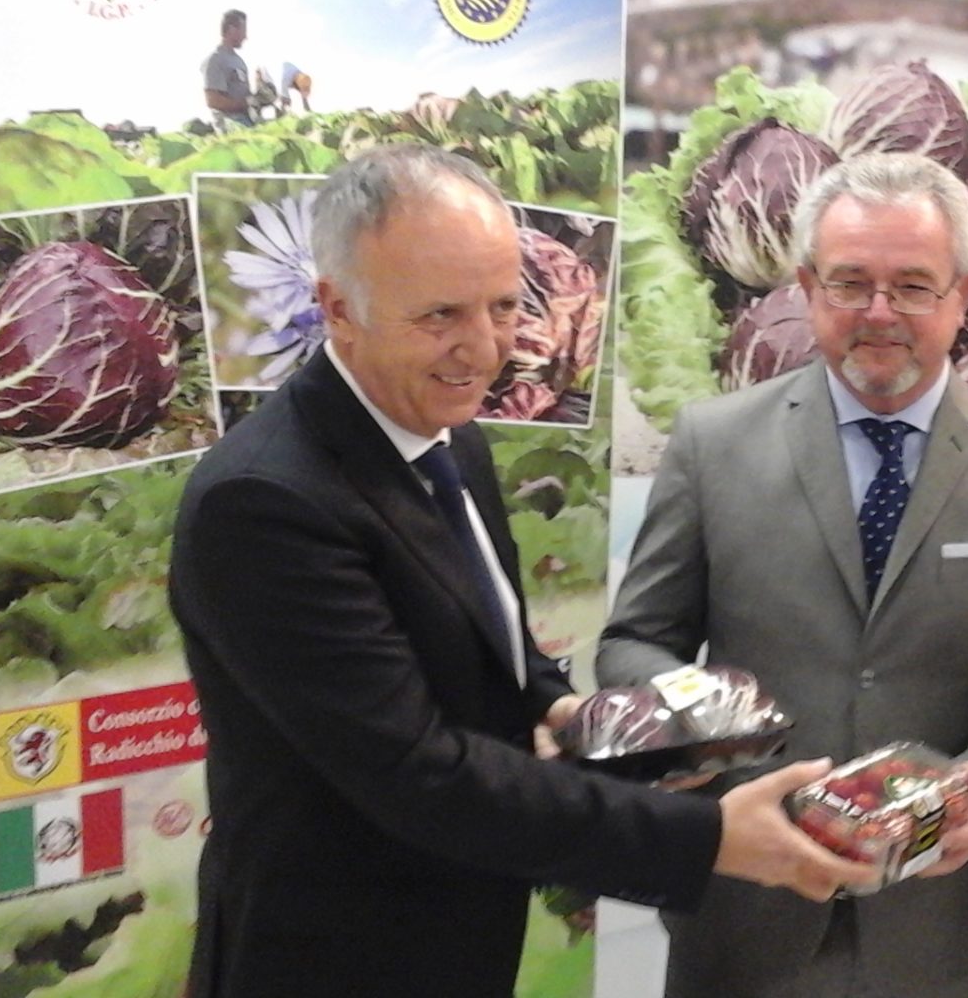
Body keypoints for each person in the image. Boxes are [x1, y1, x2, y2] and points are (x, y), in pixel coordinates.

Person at [171, 144, 869, 998]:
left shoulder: (448, 434)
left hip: (460, 930)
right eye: (440, 315)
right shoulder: (264, 503)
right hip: (331, 956)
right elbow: (419, 775)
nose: (484, 349)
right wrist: (710, 838)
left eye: (504, 306)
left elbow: (487, 646)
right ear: (338, 308)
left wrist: (579, 716)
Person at [596, 152, 968, 998]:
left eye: (913, 286)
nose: (880, 313)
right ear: (806, 287)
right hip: (742, 907)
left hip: (937, 926)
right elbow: (634, 644)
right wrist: (715, 727)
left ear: (963, 296)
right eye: (850, 283)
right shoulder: (713, 443)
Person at [203, 9, 252, 127]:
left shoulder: (239, 61)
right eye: (243, 31)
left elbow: (246, 97)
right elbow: (213, 101)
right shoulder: (215, 60)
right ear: (231, 29)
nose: (245, 37)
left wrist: (261, 96)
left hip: (247, 119)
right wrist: (245, 103)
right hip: (230, 125)